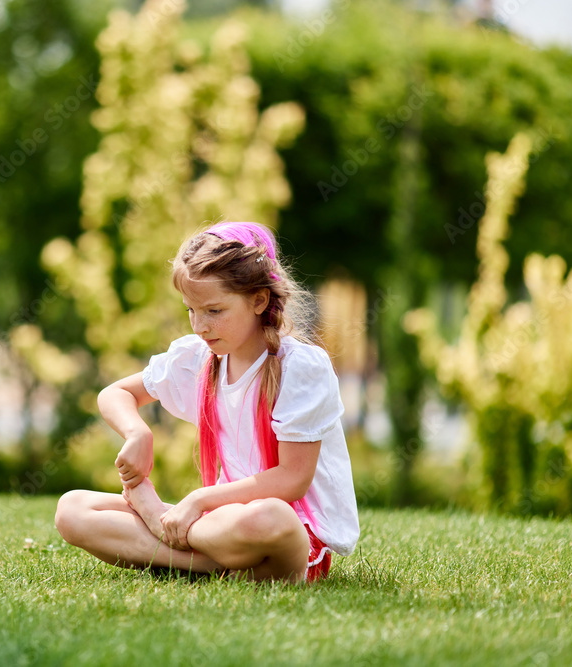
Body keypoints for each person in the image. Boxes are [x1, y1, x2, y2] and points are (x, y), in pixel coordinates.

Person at [54, 221, 359, 583]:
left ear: (259, 300)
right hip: (218, 523)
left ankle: (168, 534)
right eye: (191, 311)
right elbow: (116, 394)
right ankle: (216, 562)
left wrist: (196, 502)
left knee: (270, 518)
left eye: (214, 311)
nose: (200, 326)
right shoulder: (199, 359)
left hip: (286, 534)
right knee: (71, 509)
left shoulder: (300, 368)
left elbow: (292, 479)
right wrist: (138, 433)